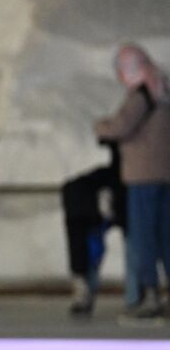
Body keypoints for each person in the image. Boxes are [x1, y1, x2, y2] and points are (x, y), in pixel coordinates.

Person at [95, 44, 170, 325]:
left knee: (144, 239)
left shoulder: (140, 95)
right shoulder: (162, 89)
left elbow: (120, 127)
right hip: (164, 174)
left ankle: (150, 297)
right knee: (165, 236)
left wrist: (100, 126)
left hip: (141, 177)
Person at [59, 148, 135, 317]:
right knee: (89, 242)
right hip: (125, 178)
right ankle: (83, 285)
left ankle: (138, 293)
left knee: (138, 241)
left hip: (140, 178)